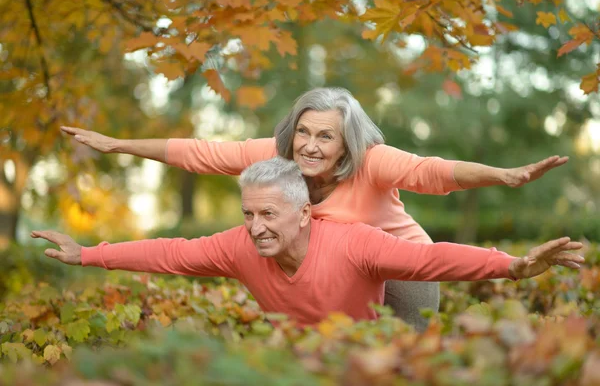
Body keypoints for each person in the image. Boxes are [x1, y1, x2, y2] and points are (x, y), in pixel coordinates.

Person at [60, 87, 568, 331]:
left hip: (405, 263)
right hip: (329, 263)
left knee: (400, 350)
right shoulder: (276, 160)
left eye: (325, 135)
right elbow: (199, 152)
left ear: (347, 143)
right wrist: (117, 144)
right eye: (303, 130)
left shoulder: (373, 162)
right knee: (333, 350)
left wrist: (504, 175)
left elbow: (434, 172)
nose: (309, 145)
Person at [31, 158, 583, 327]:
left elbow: (429, 258)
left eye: (268, 214)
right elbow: (169, 253)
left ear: (304, 213)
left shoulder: (354, 242)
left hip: (372, 341)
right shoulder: (238, 246)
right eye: (248, 214)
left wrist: (512, 265)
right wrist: (86, 253)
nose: (255, 227)